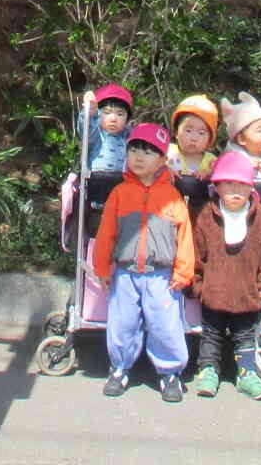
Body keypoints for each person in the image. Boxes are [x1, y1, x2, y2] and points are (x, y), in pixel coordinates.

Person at [90, 121, 196, 403]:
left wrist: (184, 271)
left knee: (165, 325)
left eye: (148, 152)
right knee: (122, 324)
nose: (139, 156)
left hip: (162, 276)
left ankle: (170, 373)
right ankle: (119, 368)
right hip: (125, 275)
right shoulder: (119, 194)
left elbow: (184, 237)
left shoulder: (173, 197)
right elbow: (106, 235)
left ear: (162, 159)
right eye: (134, 149)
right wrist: (102, 267)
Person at [190, 149, 261, 401]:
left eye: (241, 185)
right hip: (214, 292)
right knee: (211, 335)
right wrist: (198, 285)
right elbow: (196, 254)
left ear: (251, 188)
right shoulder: (206, 216)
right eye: (228, 184)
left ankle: (247, 375)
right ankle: (208, 372)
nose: (235, 191)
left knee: (245, 337)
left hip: (248, 293)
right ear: (217, 186)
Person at [221, 91, 261, 180]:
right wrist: (244, 168)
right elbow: (223, 181)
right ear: (241, 139)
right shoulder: (232, 158)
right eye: (259, 131)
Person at [79, 83, 133, 174]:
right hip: (97, 181)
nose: (113, 119)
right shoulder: (96, 135)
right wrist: (89, 113)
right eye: (107, 112)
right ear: (97, 113)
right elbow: (86, 127)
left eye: (120, 114)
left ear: (127, 119)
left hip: (123, 183)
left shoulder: (129, 138)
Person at [167, 95, 220, 178]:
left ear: (210, 139)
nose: (194, 138)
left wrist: (209, 174)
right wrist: (164, 171)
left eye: (201, 133)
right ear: (176, 132)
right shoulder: (167, 152)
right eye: (188, 131)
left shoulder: (212, 162)